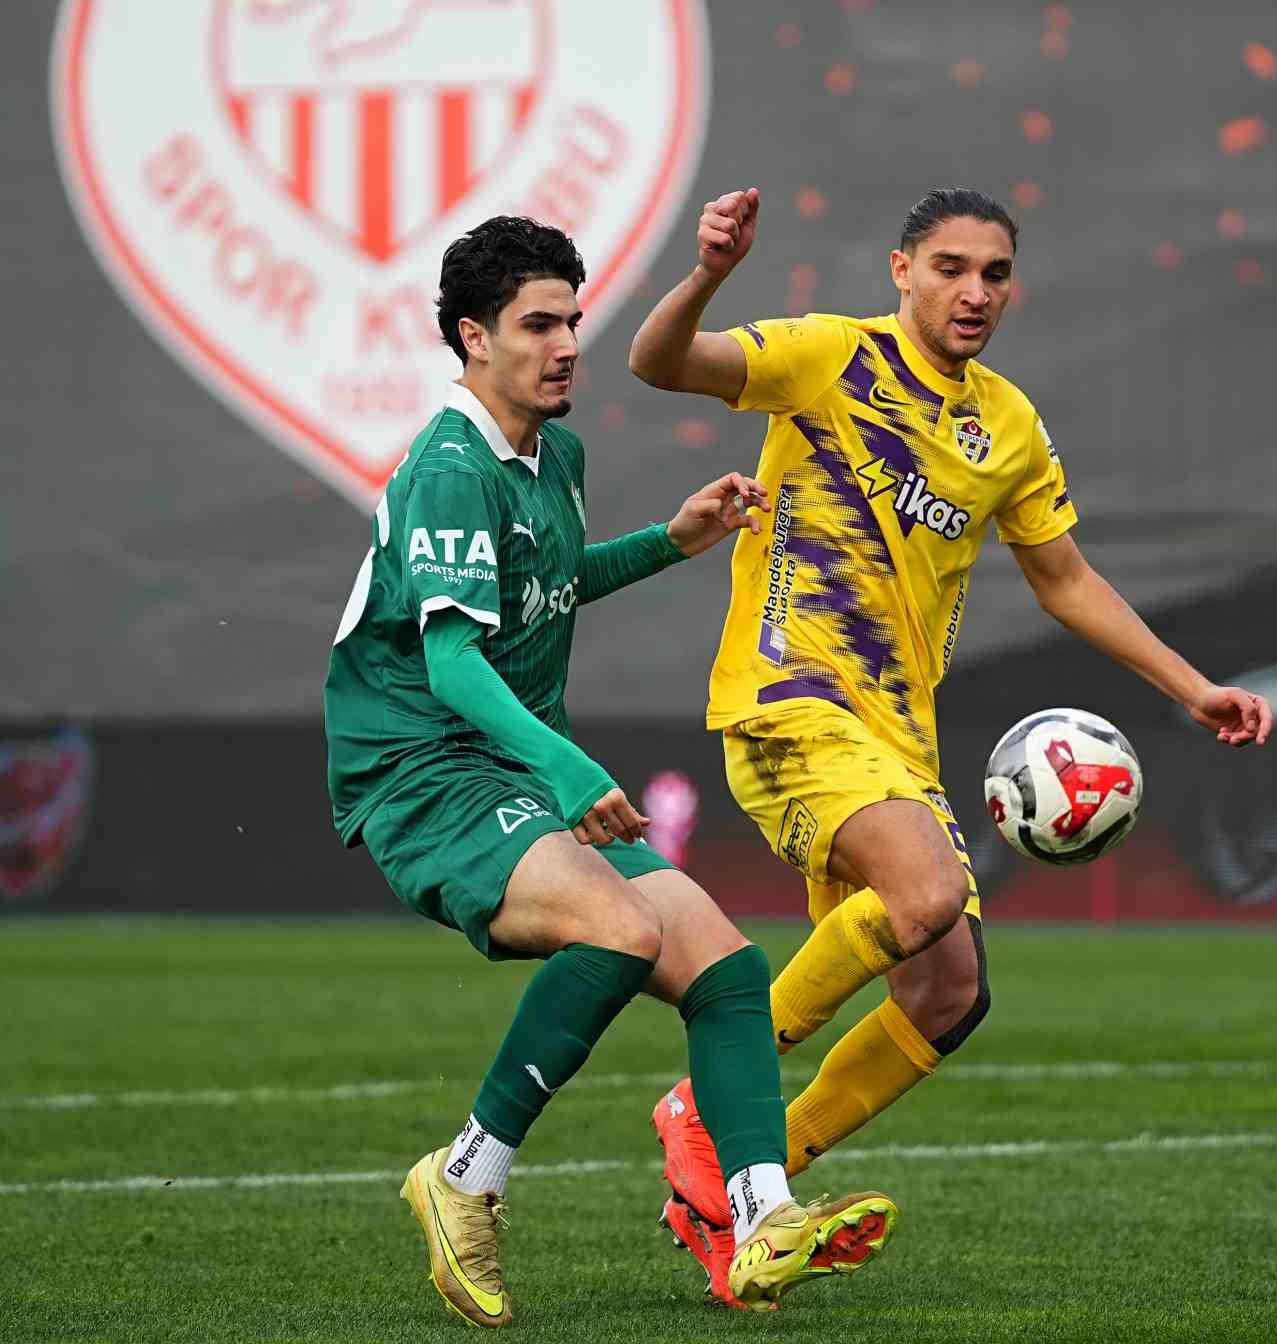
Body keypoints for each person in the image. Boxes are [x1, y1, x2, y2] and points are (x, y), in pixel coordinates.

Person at [627, 187, 1275, 1300]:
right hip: (790, 699)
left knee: (948, 994)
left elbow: (1063, 577)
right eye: (952, 268)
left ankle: (746, 1195)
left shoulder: (1007, 426)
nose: (975, 291)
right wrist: (709, 274)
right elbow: (656, 362)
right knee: (928, 895)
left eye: (995, 273)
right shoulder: (828, 357)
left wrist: (1190, 688)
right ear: (902, 271)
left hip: (894, 737)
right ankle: (705, 1106)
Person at [323, 216, 898, 1325]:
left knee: (725, 967)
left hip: (508, 767)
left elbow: (545, 583)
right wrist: (573, 766)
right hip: (422, 771)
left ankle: (761, 1215)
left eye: (572, 321)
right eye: (538, 324)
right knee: (622, 930)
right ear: (471, 337)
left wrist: (668, 543)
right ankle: (465, 1177)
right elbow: (450, 660)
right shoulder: (448, 467)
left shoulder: (557, 455)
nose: (566, 343)